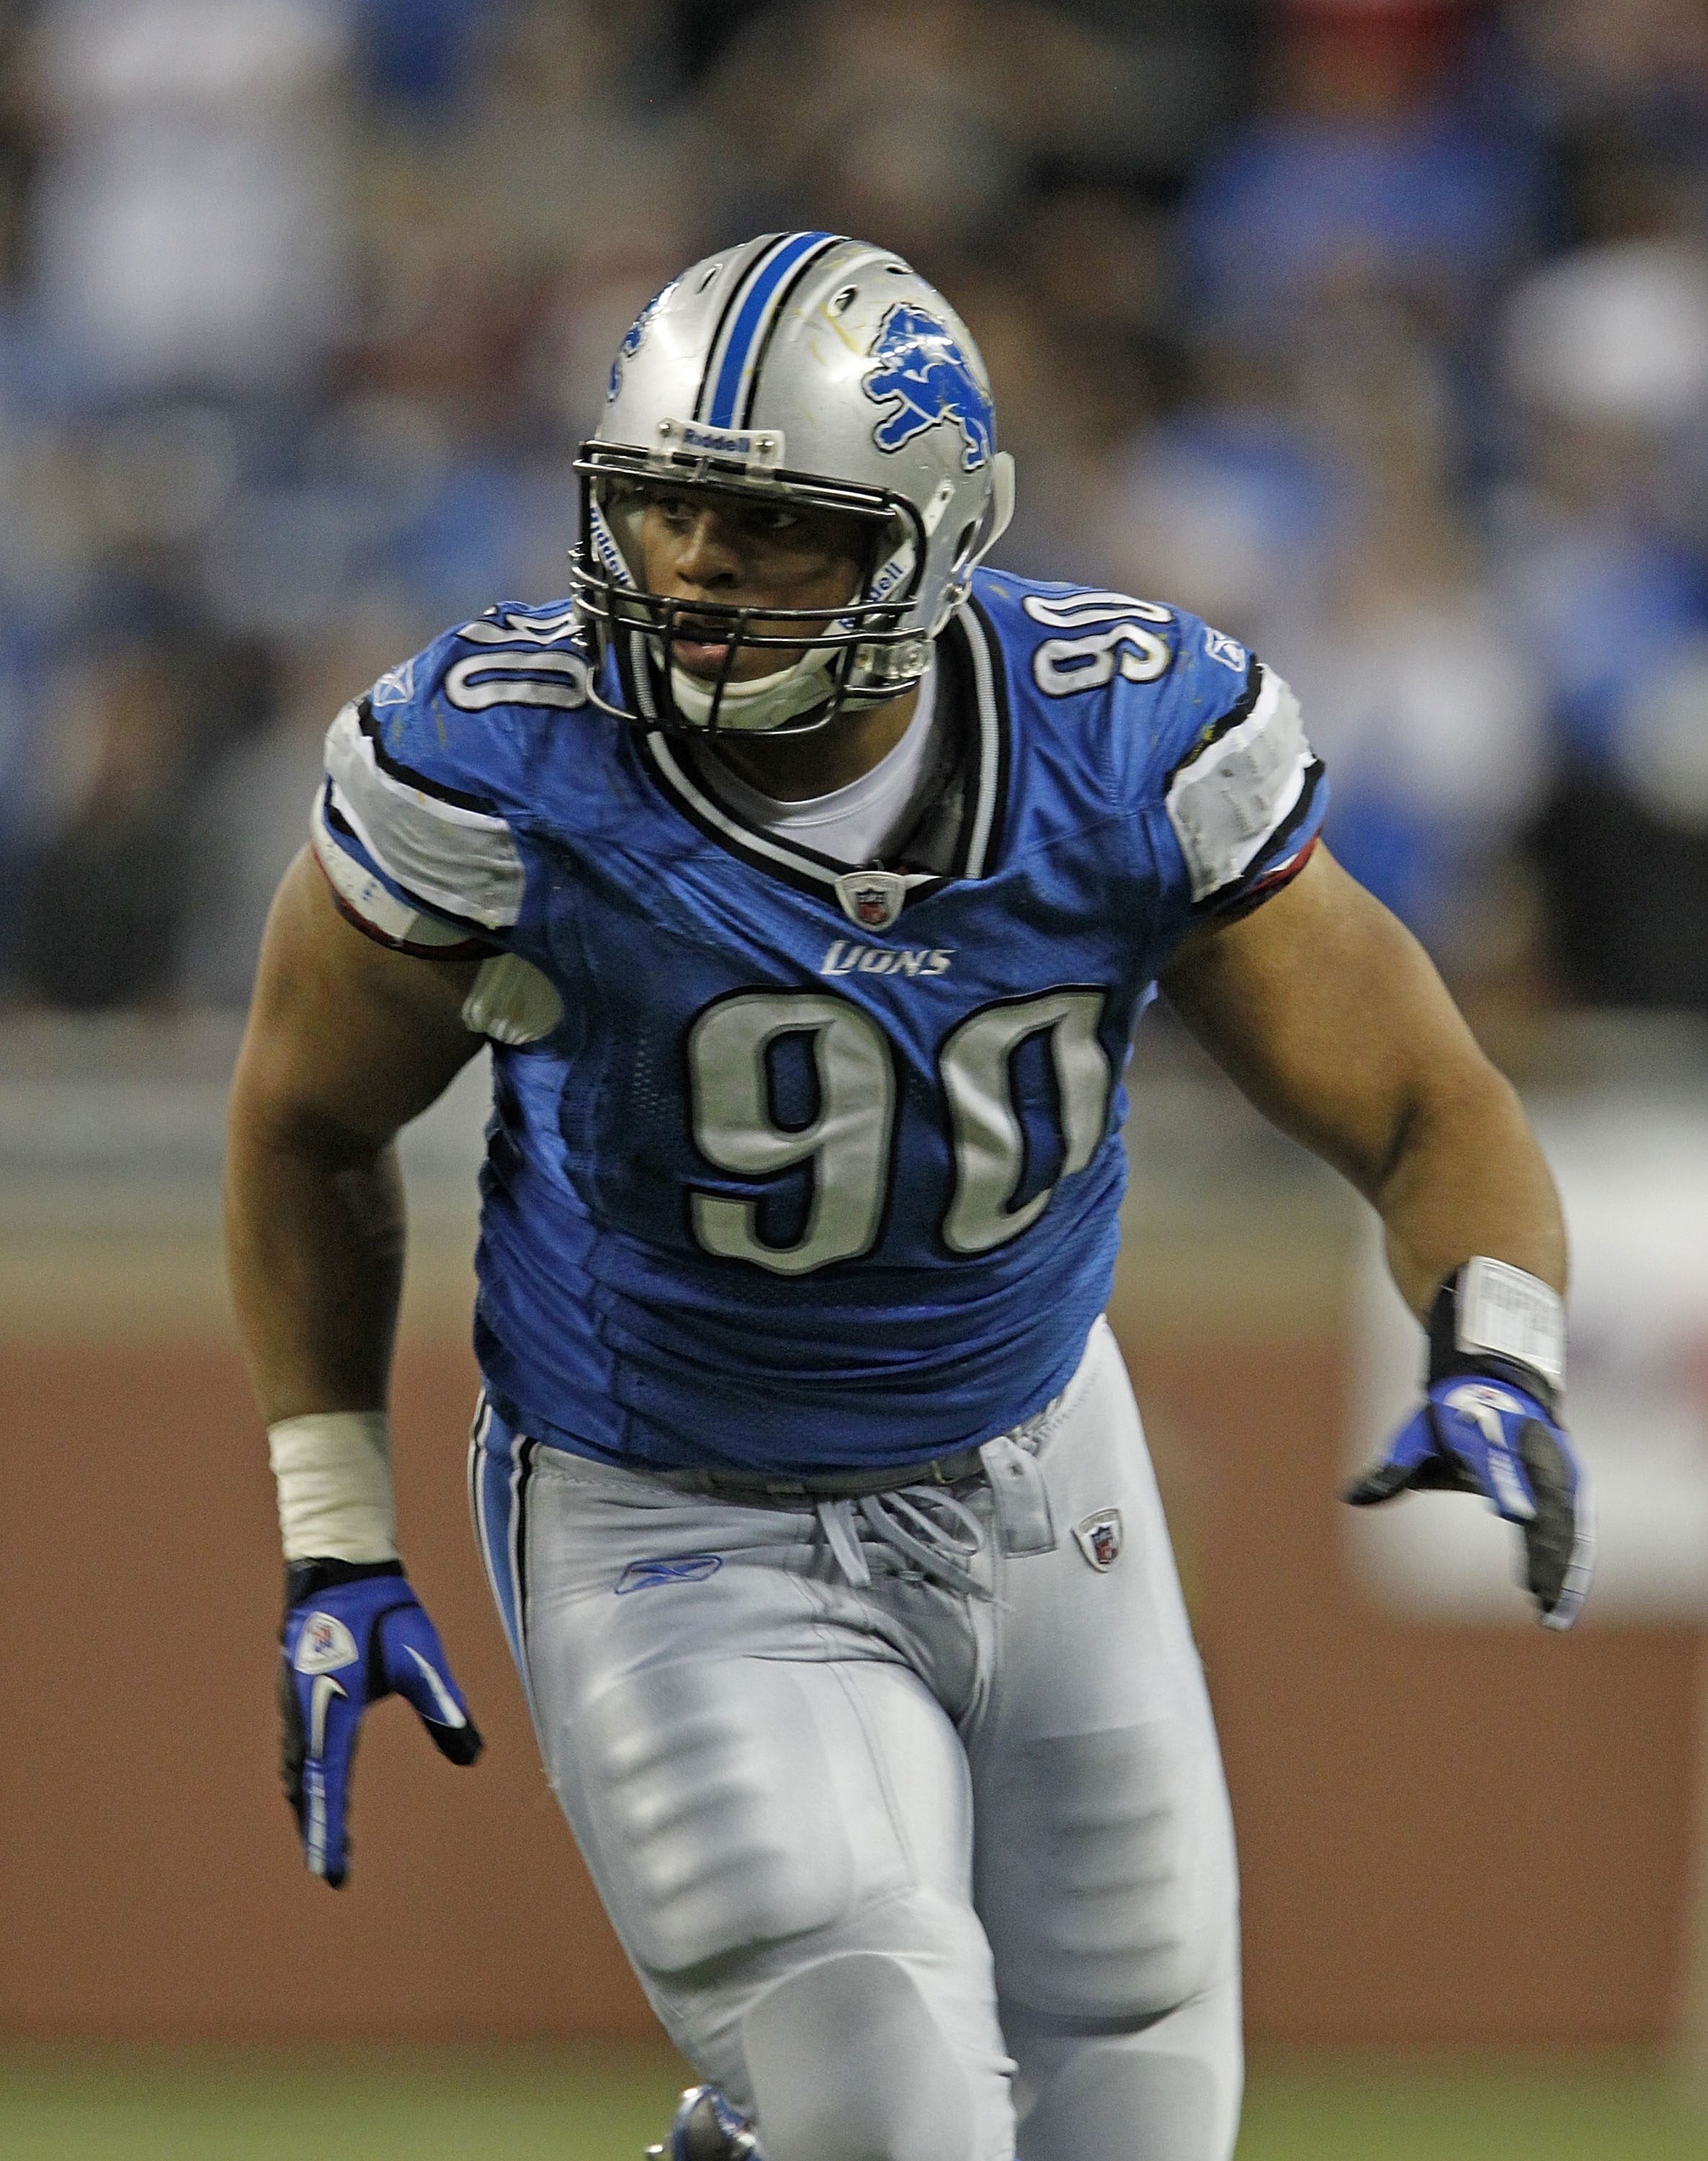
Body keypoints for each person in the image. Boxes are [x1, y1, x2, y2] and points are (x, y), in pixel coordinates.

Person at [225, 233, 1592, 2161]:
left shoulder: (1121, 743)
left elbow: (1418, 1098)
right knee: (896, 2111)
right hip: (667, 1505)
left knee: (1132, 2109)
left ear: (931, 538)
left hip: (1037, 1465)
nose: (696, 570)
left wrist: (1501, 1351)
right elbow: (300, 1120)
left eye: (771, 528)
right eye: (666, 507)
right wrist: (332, 1533)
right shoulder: (500, 768)